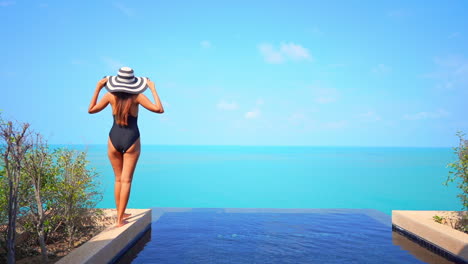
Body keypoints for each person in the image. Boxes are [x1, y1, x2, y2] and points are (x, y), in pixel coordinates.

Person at [88, 67, 164, 227]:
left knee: (118, 179)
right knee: (126, 180)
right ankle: (120, 219)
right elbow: (159, 109)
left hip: (113, 138)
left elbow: (91, 110)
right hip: (132, 139)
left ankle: (120, 215)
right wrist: (153, 89)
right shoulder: (137, 97)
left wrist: (98, 88)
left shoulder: (109, 96)